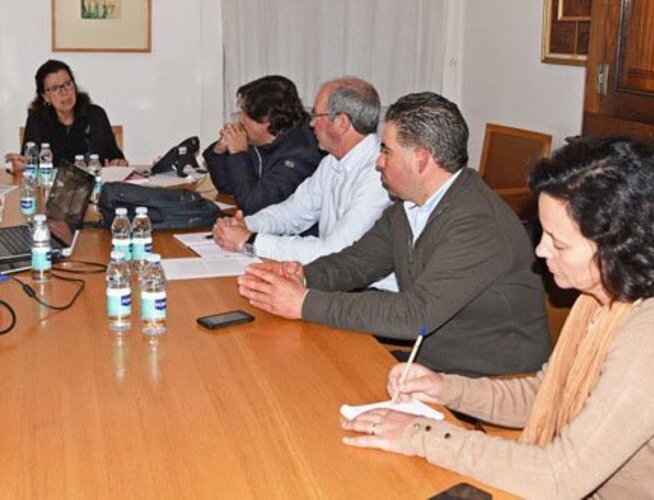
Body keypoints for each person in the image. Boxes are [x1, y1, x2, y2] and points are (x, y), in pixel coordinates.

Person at [341, 137, 654, 498]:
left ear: (618, 247)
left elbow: (558, 476)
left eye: (559, 243)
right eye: (544, 234)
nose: (540, 251)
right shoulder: (603, 295)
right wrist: (444, 388)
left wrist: (418, 435)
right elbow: (543, 395)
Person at [238, 92, 550, 376]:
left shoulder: (477, 225)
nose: (379, 161)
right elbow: (356, 262)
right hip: (428, 366)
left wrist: (305, 303)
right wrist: (303, 276)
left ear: (421, 159)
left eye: (387, 151)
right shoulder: (409, 205)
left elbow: (415, 315)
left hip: (489, 382)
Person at [213, 78, 396, 292]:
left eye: (317, 116)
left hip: (371, 294)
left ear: (342, 123)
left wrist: (251, 241)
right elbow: (293, 212)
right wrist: (245, 225)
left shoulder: (379, 173)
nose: (311, 124)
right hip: (336, 284)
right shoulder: (331, 162)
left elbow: (336, 252)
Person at [202, 75, 322, 215]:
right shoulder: (262, 139)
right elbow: (228, 187)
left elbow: (254, 205)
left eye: (245, 114)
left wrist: (238, 154)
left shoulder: (301, 155)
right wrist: (219, 151)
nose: (240, 119)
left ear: (267, 120)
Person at [5, 59, 126, 169]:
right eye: (55, 88)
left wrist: (119, 163)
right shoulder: (36, 120)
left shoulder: (96, 115)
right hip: (50, 186)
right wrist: (18, 166)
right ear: (45, 96)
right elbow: (27, 162)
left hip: (94, 185)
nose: (64, 92)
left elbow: (116, 157)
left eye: (68, 84)